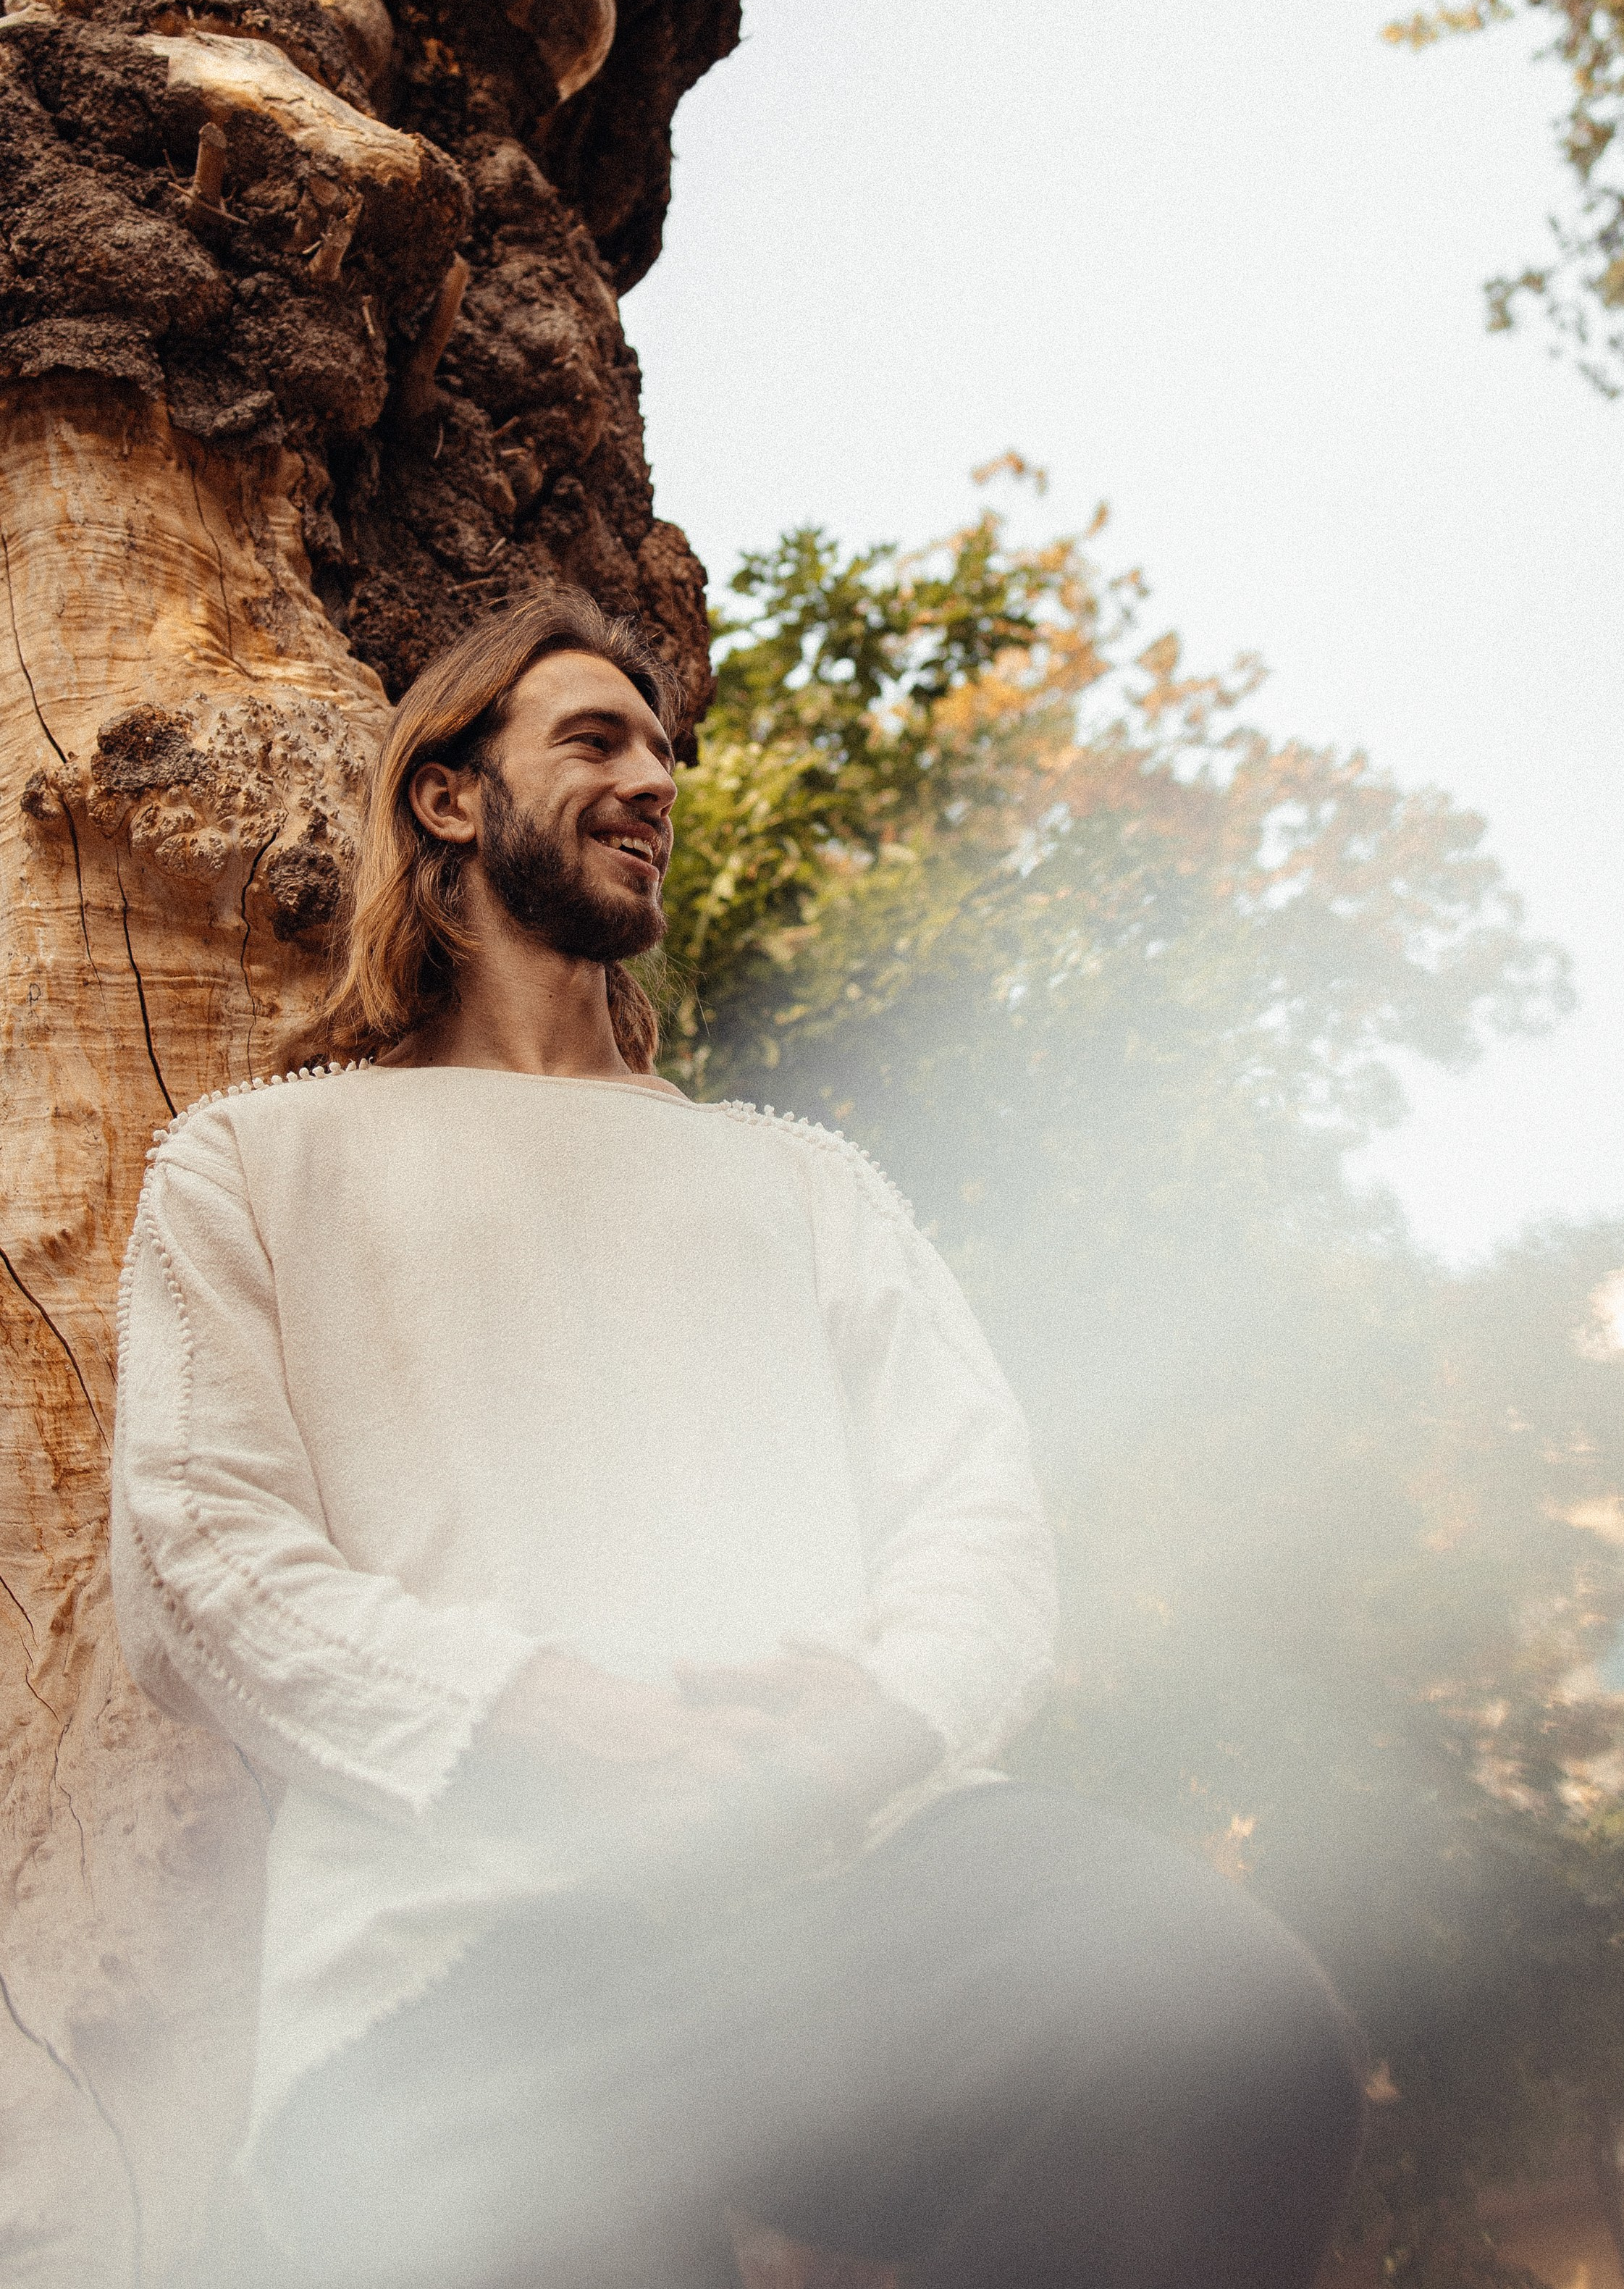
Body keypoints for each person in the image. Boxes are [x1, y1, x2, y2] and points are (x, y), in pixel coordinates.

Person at [112, 587, 1365, 2289]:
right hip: (462, 1957)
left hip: (840, 1891)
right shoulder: (255, 1163)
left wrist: (875, 1724)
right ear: (450, 797)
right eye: (595, 739)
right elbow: (199, 1558)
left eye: (667, 751)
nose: (656, 779)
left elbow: (978, 1522)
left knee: (1225, 2020)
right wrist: (541, 1711)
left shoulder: (802, 1181)